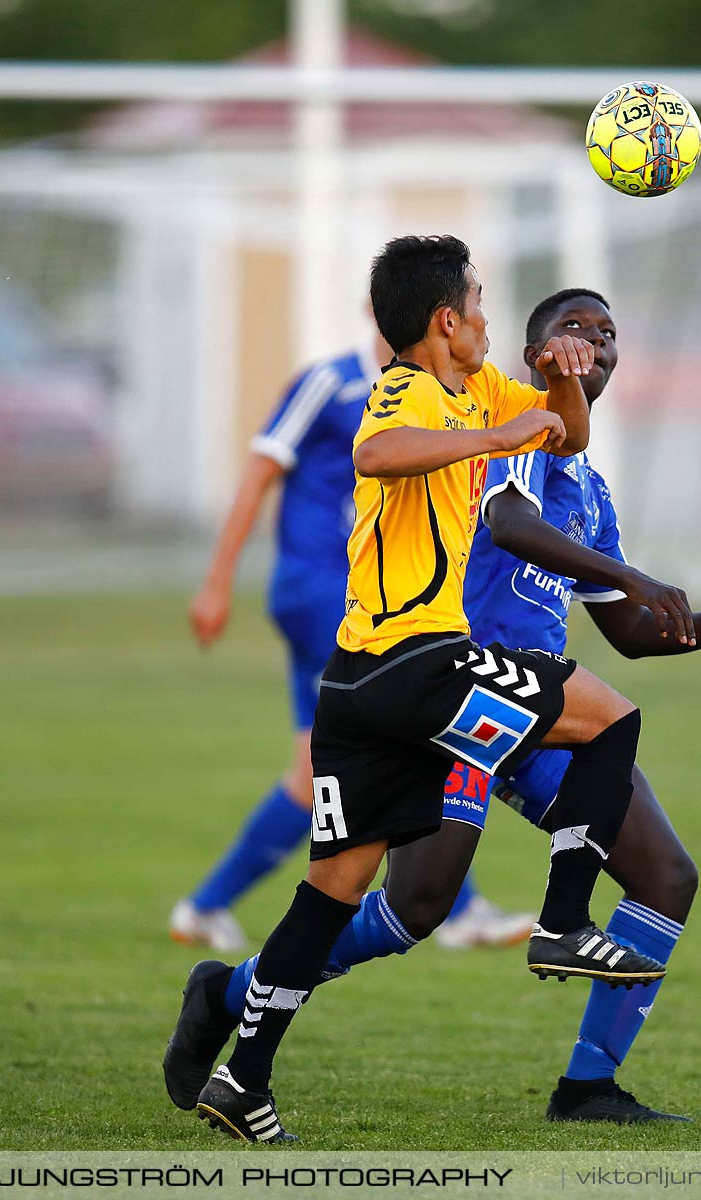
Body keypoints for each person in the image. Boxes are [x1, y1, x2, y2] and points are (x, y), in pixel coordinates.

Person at [169, 287, 701, 1127]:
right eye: (574, 327)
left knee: (658, 876)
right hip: (459, 698)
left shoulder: (587, 486)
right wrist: (631, 574)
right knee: (413, 906)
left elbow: (629, 635)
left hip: (538, 710)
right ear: (535, 349)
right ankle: (243, 991)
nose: (596, 341)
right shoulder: (507, 427)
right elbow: (506, 525)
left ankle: (587, 1087)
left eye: (610, 332)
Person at [169, 324, 532, 953]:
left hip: (360, 595)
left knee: (318, 772)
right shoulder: (331, 383)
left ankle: (205, 907)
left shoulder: (441, 392)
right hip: (324, 592)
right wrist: (217, 579)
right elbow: (261, 468)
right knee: (406, 727)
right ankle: (459, 907)